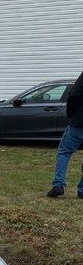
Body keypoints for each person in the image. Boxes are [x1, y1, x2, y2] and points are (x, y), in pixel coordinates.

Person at [48, 70, 83, 198]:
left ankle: (58, 185)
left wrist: (71, 113)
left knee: (64, 151)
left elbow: (74, 94)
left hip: (79, 121)